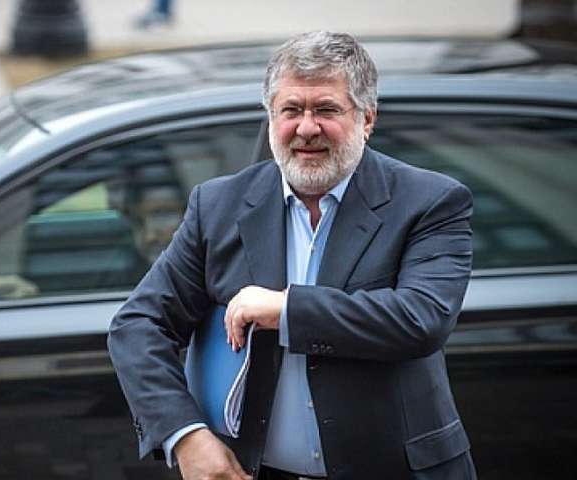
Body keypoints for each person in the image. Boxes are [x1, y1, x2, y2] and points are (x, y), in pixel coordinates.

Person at [108, 31, 477, 480]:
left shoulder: (430, 201)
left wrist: (286, 310)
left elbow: (421, 319)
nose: (306, 128)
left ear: (366, 118)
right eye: (291, 110)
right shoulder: (219, 206)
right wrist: (185, 435)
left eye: (326, 110)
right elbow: (139, 325)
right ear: (270, 117)